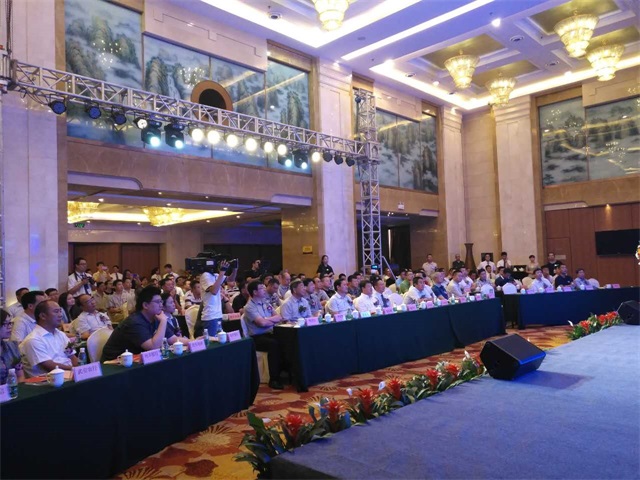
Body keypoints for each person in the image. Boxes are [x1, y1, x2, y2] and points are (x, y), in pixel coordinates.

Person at [101, 286, 183, 361]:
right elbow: (153, 347)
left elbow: (173, 339)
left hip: (136, 360)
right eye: (158, 302)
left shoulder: (156, 317)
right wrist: (164, 321)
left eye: (161, 302)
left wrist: (190, 342)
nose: (161, 305)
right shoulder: (134, 322)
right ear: (145, 305)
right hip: (116, 363)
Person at [242, 280, 285, 390]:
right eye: (261, 288)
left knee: (286, 339)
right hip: (256, 337)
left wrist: (266, 319)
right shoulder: (249, 307)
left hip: (269, 332)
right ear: (255, 292)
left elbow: (279, 317)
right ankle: (274, 379)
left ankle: (285, 372)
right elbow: (261, 323)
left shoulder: (265, 303)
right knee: (273, 344)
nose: (264, 289)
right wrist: (269, 321)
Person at [20, 300, 79, 377]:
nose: (60, 315)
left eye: (60, 311)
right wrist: (74, 369)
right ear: (43, 316)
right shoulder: (33, 339)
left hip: (70, 374)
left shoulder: (60, 334)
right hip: (50, 379)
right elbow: (49, 366)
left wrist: (79, 369)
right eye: (56, 312)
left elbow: (72, 356)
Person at [195, 259, 237, 338]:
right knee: (212, 341)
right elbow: (214, 291)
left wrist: (235, 269)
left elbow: (230, 279)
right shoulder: (205, 275)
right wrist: (222, 272)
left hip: (217, 314)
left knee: (219, 340)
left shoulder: (215, 275)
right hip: (210, 316)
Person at [1, 310, 24, 385]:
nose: (10, 327)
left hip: (12, 389)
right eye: (5, 324)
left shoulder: (13, 346)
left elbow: (20, 376)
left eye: (10, 323)